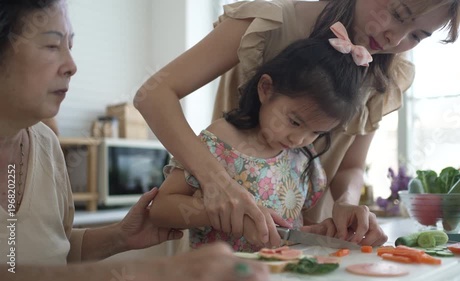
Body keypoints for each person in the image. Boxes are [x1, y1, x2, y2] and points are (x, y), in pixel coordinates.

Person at [135, 0, 460, 245]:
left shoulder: (386, 71)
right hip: (220, 231)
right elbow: (154, 94)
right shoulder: (273, 19)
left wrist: (348, 203)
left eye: (418, 35)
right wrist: (217, 183)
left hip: (296, 240)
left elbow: (350, 168)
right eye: (398, 13)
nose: (396, 39)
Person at [0, 1, 269, 280]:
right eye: (52, 46)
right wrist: (158, 272)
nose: (71, 65)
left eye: (70, 47)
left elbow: (53, 253)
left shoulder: (46, 144)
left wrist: (120, 237)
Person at [149, 26, 381, 251]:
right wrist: (216, 211)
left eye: (316, 132)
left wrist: (314, 234)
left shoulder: (303, 160)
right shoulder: (220, 141)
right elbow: (160, 209)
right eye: (295, 122)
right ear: (266, 89)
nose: (299, 139)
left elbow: (289, 230)